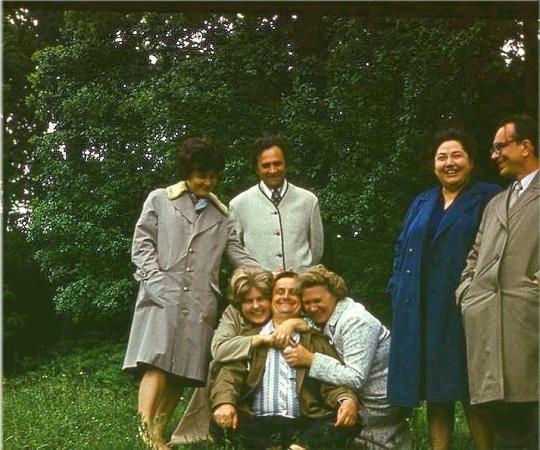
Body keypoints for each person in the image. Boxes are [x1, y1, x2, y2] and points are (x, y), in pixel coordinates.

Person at [122, 137, 258, 450]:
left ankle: (158, 433)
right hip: (161, 295)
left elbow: (238, 255)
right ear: (187, 173)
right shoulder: (160, 199)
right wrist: (154, 280)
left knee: (181, 373)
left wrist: (271, 275)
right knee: (156, 363)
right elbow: (141, 244)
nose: (207, 182)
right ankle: (145, 433)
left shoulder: (221, 216)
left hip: (199, 301)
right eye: (201, 176)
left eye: (212, 176)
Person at [385, 128, 501, 450]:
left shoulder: (488, 198)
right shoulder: (422, 201)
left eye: (456, 155)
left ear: (471, 161)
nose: (449, 163)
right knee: (436, 392)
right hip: (420, 309)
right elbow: (401, 246)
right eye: (442, 157)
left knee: (471, 390)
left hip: (463, 308)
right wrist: (396, 286)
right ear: (433, 164)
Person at [456, 114, 538, 449]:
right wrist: (467, 293)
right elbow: (475, 255)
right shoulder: (495, 204)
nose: (494, 155)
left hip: (528, 323)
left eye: (500, 146)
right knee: (505, 428)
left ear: (526, 146)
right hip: (489, 326)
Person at [210, 271, 359, 450]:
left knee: (349, 421)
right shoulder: (251, 338)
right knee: (220, 423)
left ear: (301, 301)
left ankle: (297, 445)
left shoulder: (315, 339)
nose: (286, 297)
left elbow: (331, 381)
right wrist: (225, 402)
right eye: (280, 291)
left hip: (303, 421)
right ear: (271, 297)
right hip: (258, 422)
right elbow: (229, 376)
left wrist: (346, 400)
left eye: (293, 292)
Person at [284, 265, 411, 449]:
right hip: (353, 397)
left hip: (377, 404)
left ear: (335, 295)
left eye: (318, 300)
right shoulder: (330, 316)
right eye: (307, 303)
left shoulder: (355, 321)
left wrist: (311, 360)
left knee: (314, 428)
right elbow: (307, 321)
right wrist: (292, 323)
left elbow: (355, 378)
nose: (312, 308)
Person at [170, 265, 300, 446]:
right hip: (242, 388)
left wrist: (293, 323)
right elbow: (219, 350)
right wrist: (259, 339)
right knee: (221, 365)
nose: (256, 306)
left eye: (261, 299)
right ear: (239, 303)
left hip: (285, 401)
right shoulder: (234, 313)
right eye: (248, 301)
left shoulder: (283, 309)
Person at [229, 135, 324, 272]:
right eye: (266, 165)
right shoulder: (239, 204)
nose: (273, 170)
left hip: (300, 282)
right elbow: (235, 251)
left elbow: (316, 249)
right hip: (259, 283)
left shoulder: (308, 201)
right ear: (257, 169)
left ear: (286, 165)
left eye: (277, 163)